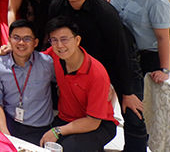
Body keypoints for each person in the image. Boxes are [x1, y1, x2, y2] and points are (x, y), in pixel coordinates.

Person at [49, 0, 146, 152]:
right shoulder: (57, 5)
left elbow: (120, 52)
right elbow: (53, 37)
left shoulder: (104, 12)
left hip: (116, 60)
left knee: (133, 112)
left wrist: (126, 92)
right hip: (81, 63)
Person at [40, 17, 118, 151]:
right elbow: (34, 59)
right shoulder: (55, 54)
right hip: (66, 118)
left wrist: (57, 131)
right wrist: (10, 51)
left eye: (64, 39)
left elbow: (93, 121)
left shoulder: (96, 74)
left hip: (98, 124)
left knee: (67, 148)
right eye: (54, 40)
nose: (60, 45)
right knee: (41, 143)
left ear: (77, 40)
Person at [0, 19, 55, 145]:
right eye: (16, 38)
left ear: (36, 42)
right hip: (9, 121)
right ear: (9, 40)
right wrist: (5, 134)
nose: (21, 43)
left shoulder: (47, 63)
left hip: (39, 127)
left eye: (27, 39)